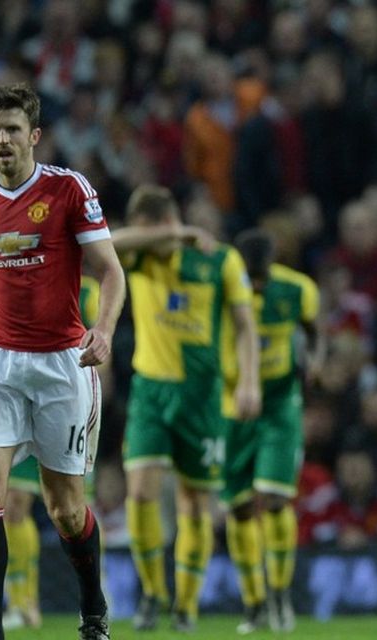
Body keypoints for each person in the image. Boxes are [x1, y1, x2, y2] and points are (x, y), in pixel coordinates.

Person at [0, 83, 125, 640]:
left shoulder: (69, 190)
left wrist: (102, 331)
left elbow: (110, 270)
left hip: (61, 364)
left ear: (33, 135)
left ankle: (93, 610)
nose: (1, 139)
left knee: (65, 510)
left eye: (10, 129)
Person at [114, 185, 260, 632]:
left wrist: (249, 382)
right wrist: (172, 235)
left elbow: (243, 325)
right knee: (139, 491)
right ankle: (152, 594)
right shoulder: (141, 259)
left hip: (202, 395)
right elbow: (105, 242)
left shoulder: (222, 260)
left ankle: (186, 606)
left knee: (196, 502)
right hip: (150, 392)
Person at [220, 229, 323, 633]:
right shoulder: (221, 290)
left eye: (261, 275)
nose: (257, 284)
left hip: (280, 402)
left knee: (276, 500)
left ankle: (280, 595)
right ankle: (254, 604)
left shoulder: (297, 289)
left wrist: (314, 360)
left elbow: (315, 331)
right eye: (250, 277)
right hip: (231, 407)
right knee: (240, 507)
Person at [3, 273, 100, 631]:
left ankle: (90, 602)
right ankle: (22, 603)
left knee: (69, 511)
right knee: (12, 505)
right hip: (20, 394)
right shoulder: (16, 277)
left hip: (67, 399)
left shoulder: (87, 290)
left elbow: (96, 348)